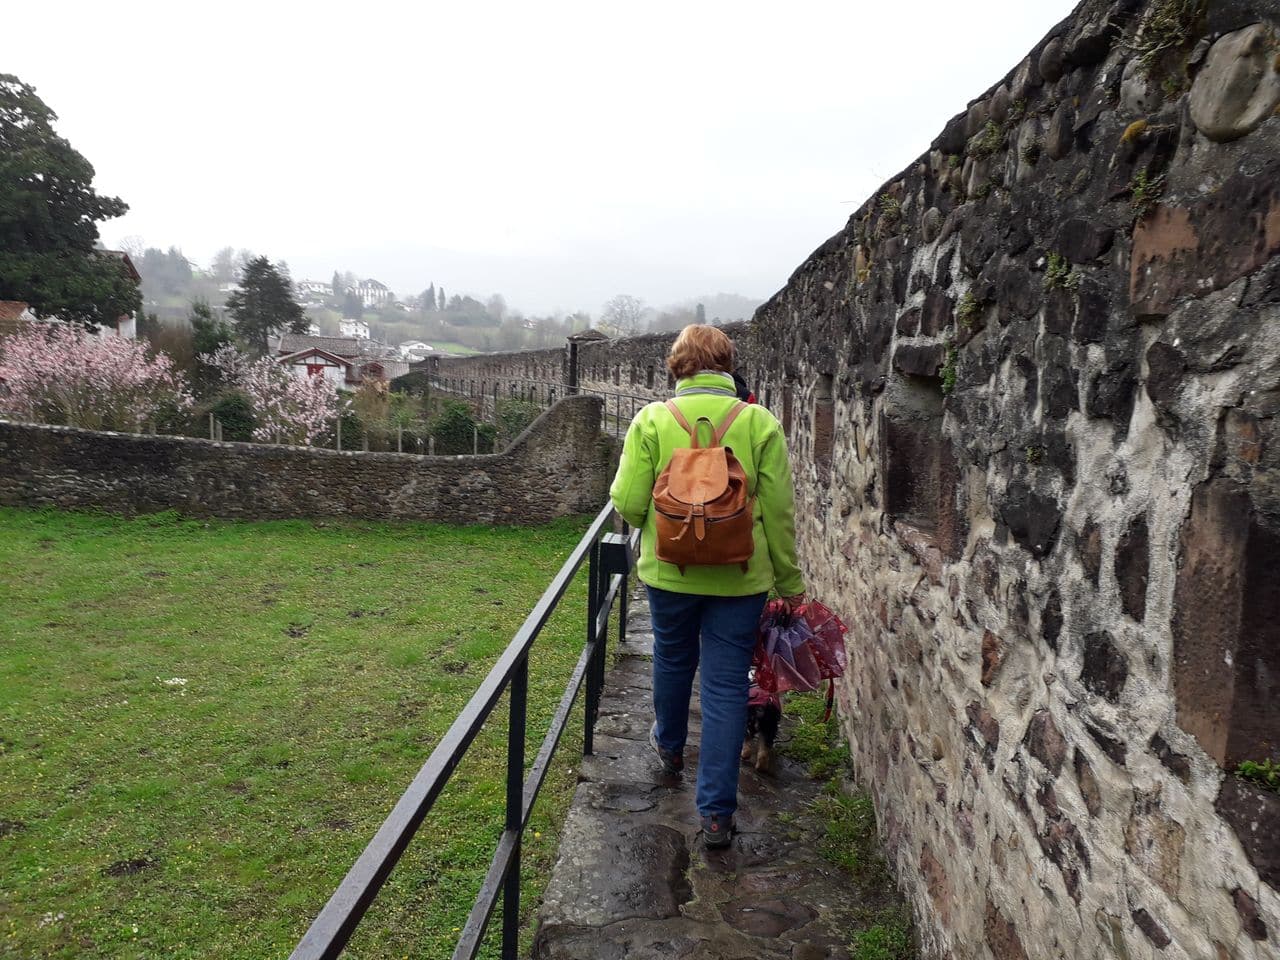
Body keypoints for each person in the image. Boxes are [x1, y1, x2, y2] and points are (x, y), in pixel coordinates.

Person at [609, 324, 806, 848]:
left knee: (672, 658)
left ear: (678, 365)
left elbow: (627, 502)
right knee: (725, 686)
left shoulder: (652, 420)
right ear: (726, 364)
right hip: (741, 578)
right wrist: (789, 582)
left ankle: (670, 748)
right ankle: (717, 814)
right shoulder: (759, 422)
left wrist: (666, 522)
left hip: (669, 573)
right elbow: (780, 513)